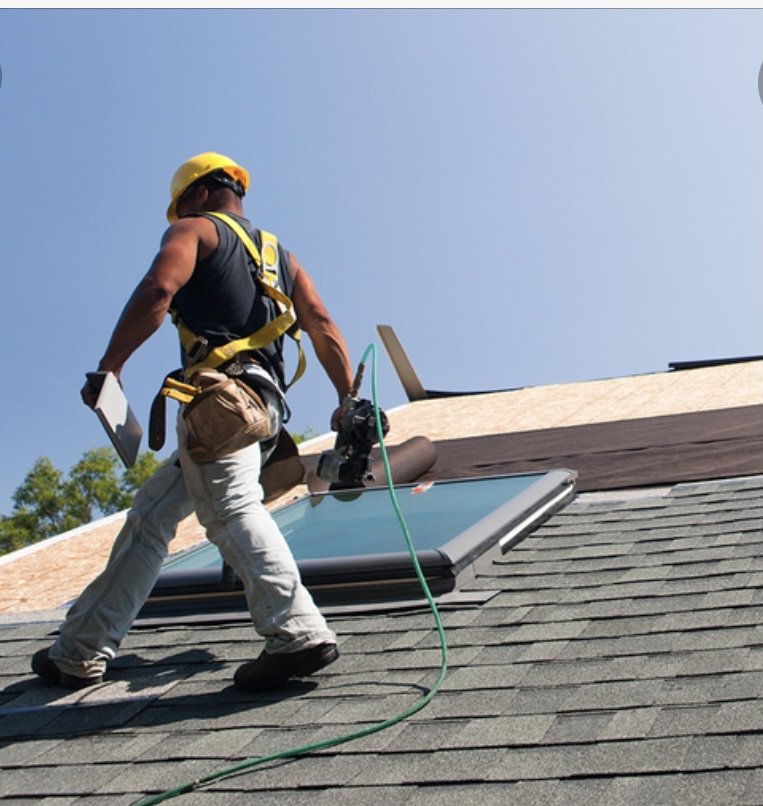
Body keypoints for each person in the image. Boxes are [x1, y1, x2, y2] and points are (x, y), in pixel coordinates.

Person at [32, 152, 355, 692]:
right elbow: (321, 323)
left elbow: (159, 291)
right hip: (263, 410)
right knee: (152, 514)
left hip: (222, 402)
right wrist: (347, 398)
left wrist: (110, 368)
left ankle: (296, 630)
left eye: (180, 203)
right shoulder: (283, 257)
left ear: (201, 193)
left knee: (230, 509)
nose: (176, 214)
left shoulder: (195, 230)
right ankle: (79, 649)